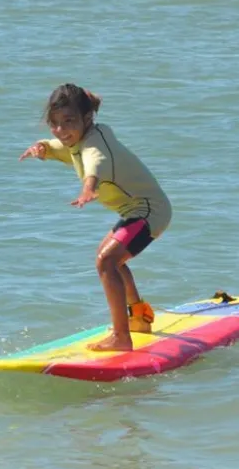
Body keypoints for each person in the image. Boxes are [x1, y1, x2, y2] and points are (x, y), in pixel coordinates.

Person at [19, 83, 172, 351]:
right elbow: (65, 149)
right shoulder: (82, 137)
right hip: (135, 211)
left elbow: (95, 162)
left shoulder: (96, 144)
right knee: (110, 258)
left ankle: (121, 337)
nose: (61, 130)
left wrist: (88, 188)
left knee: (106, 261)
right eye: (54, 123)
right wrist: (43, 147)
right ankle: (139, 318)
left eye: (68, 121)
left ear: (87, 117)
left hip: (149, 211)